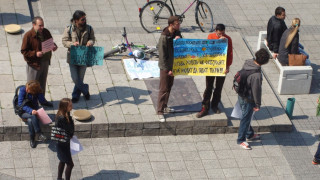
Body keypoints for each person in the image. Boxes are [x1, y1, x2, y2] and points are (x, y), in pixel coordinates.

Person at [196, 24, 233, 118]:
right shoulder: (210, 36)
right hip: (211, 66)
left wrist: (227, 66)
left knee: (219, 87)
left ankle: (215, 105)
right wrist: (218, 42)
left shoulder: (228, 39)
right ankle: (205, 107)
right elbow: (208, 50)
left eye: (223, 33)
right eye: (220, 33)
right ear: (216, 31)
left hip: (221, 67)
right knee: (209, 87)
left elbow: (230, 53)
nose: (222, 35)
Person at [237, 48, 269, 150]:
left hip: (241, 93)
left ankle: (249, 134)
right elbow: (256, 90)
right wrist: (258, 104)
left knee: (246, 116)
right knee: (245, 119)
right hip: (248, 98)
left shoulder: (248, 62)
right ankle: (241, 140)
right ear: (265, 62)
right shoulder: (256, 75)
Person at [62, 10, 95, 103]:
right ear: (76, 20)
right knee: (75, 78)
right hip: (73, 57)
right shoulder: (69, 29)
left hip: (84, 56)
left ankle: (75, 95)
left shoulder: (89, 28)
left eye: (85, 19)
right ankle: (85, 89)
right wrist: (72, 44)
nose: (84, 21)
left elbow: (92, 38)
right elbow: (64, 41)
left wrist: (90, 42)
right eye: (82, 19)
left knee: (80, 78)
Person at [21, 16, 58, 96]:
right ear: (34, 25)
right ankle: (30, 102)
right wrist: (35, 53)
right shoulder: (28, 36)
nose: (42, 27)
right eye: (40, 25)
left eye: (43, 25)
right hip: (34, 64)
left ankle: (42, 100)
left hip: (45, 62)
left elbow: (51, 42)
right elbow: (24, 51)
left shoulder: (46, 32)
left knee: (42, 83)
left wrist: (54, 46)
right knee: (32, 85)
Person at [156, 16, 182, 122]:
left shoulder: (176, 33)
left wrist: (179, 39)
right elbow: (162, 56)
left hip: (173, 65)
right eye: (177, 24)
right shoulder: (164, 37)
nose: (179, 25)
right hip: (166, 67)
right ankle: (159, 111)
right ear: (171, 25)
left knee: (169, 86)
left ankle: (165, 106)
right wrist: (167, 70)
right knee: (163, 88)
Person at [18, 80, 52, 148]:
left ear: (34, 91)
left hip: (34, 110)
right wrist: (31, 110)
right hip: (23, 111)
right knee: (33, 116)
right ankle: (39, 133)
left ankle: (32, 138)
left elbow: (42, 101)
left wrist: (40, 93)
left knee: (30, 121)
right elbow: (20, 104)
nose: (26, 89)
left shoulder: (37, 92)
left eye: (29, 89)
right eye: (27, 88)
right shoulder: (22, 90)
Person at [55, 98, 74, 180]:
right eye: (70, 105)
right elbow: (68, 129)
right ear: (65, 107)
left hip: (63, 143)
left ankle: (59, 178)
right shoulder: (62, 118)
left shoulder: (64, 114)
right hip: (63, 144)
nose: (72, 106)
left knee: (62, 161)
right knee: (70, 164)